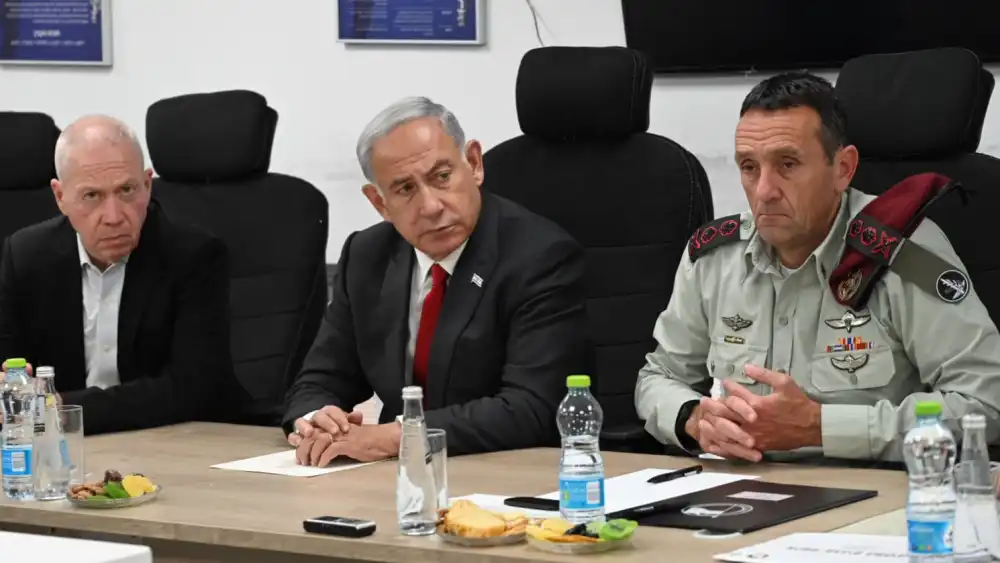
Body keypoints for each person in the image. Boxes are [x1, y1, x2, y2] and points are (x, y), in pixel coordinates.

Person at [634, 72, 1000, 464]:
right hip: (738, 491)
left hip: (868, 498)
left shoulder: (903, 253)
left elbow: (985, 405)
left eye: (787, 164)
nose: (764, 191)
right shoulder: (712, 258)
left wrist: (819, 427)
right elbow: (658, 377)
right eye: (748, 167)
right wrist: (694, 418)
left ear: (843, 168)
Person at [283, 96, 586, 466]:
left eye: (442, 177)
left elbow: (532, 408)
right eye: (405, 189)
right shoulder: (367, 255)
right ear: (380, 203)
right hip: (395, 479)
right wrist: (316, 419)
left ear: (473, 164)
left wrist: (396, 437)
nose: (430, 206)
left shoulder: (540, 256)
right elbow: (321, 377)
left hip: (507, 470)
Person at [0, 114, 237, 434]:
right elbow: (11, 372)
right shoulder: (25, 256)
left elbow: (191, 389)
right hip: (59, 452)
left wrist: (58, 409)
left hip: (169, 441)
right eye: (92, 196)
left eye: (127, 190)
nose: (113, 216)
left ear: (147, 184)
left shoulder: (194, 256)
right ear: (60, 197)